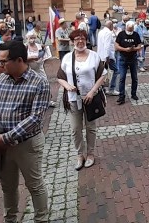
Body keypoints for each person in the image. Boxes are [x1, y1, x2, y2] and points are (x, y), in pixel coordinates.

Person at [0, 41, 52, 223]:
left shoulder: (39, 82)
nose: (0, 65)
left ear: (19, 61)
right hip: (1, 143)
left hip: (26, 144)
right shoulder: (1, 79)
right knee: (8, 185)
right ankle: (10, 222)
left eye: (4, 61)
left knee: (35, 184)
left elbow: (35, 118)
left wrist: (6, 138)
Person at [57, 29, 107, 170]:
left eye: (82, 39)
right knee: (75, 129)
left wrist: (92, 91)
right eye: (77, 39)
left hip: (90, 98)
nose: (80, 41)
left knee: (91, 127)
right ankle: (80, 154)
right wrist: (67, 85)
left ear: (86, 40)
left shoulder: (94, 56)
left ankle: (90, 154)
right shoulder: (67, 58)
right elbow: (60, 76)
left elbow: (102, 75)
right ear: (72, 42)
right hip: (73, 99)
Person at [114, 20, 142, 105]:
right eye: (129, 29)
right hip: (123, 58)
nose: (130, 30)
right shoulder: (121, 34)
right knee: (122, 78)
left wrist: (134, 49)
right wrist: (125, 49)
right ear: (126, 27)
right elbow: (116, 46)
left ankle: (133, 94)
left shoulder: (136, 35)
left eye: (132, 29)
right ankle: (121, 96)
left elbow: (139, 45)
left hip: (133, 58)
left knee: (135, 78)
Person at [97, 20, 119, 96]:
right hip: (107, 56)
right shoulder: (108, 33)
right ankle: (111, 89)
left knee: (103, 73)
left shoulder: (100, 32)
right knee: (116, 70)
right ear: (110, 25)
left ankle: (103, 88)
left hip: (100, 56)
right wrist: (107, 57)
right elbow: (107, 46)